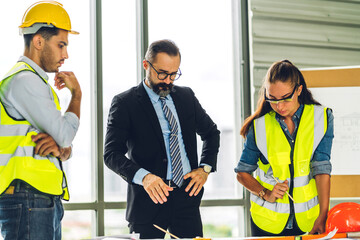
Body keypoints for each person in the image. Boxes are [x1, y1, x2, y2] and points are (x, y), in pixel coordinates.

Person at [104, 39, 220, 239]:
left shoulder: (186, 96)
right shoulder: (125, 103)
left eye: (174, 74)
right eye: (162, 73)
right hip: (148, 201)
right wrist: (145, 177)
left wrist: (205, 169)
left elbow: (211, 133)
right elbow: (111, 154)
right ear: (146, 65)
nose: (168, 80)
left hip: (186, 200)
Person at [0, 1, 81, 239]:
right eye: (61, 45)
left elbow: (62, 140)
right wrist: (77, 95)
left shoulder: (36, 83)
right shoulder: (24, 81)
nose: (65, 54)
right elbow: (65, 133)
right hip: (28, 198)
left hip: (38, 198)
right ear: (38, 41)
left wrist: (62, 150)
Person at [234, 60, 333, 236]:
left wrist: (323, 215)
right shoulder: (259, 126)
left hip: (308, 221)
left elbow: (321, 167)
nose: (279, 106)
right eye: (272, 99)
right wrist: (265, 193)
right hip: (267, 223)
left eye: (286, 98)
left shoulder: (322, 118)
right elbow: (242, 173)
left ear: (299, 90)